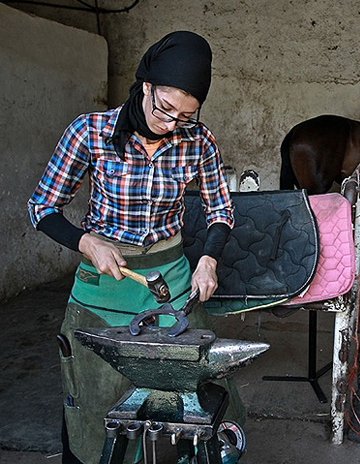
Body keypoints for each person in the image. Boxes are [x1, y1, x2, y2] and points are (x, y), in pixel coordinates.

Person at [27, 31, 244, 464]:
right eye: (165, 108)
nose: (171, 123)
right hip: (103, 282)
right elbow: (42, 208)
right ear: (145, 86)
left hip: (172, 283)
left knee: (204, 393)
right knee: (92, 400)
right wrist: (88, 242)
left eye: (186, 115)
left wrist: (208, 259)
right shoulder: (90, 132)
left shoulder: (198, 141)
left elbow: (221, 211)